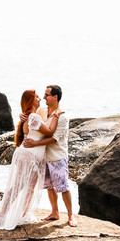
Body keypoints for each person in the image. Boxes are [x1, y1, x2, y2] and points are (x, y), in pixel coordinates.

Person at [0, 90, 48, 230]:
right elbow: (50, 132)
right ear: (31, 100)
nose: (40, 99)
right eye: (36, 97)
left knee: (29, 186)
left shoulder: (31, 116)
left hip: (30, 155)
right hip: (29, 155)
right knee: (19, 186)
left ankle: (23, 215)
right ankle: (2, 215)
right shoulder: (33, 117)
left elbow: (46, 112)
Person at [22, 84, 76, 226]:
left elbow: (54, 138)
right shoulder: (42, 110)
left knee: (63, 186)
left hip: (57, 156)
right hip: (43, 156)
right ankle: (54, 212)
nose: (44, 97)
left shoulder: (62, 116)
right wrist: (24, 117)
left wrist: (34, 144)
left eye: (47, 95)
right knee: (49, 186)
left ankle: (71, 216)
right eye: (44, 95)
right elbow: (34, 122)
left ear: (55, 97)